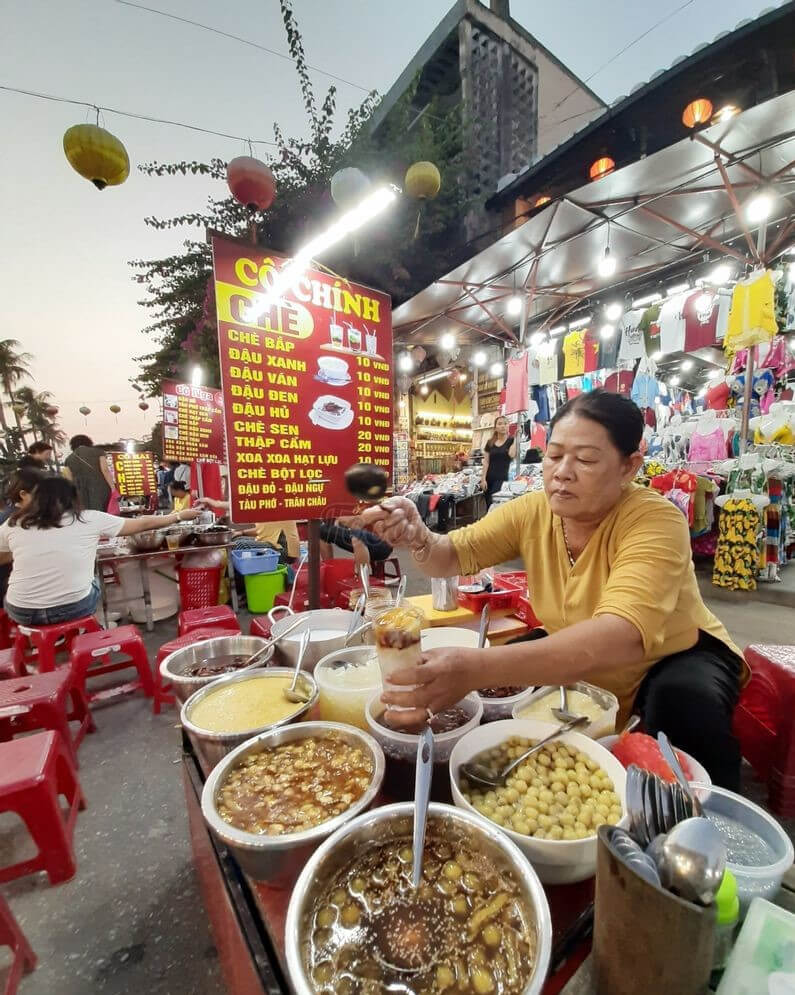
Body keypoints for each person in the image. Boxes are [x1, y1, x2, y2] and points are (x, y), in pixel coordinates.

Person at [356, 389, 747, 790]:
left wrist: (473, 667)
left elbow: (622, 635)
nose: (562, 471)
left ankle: (713, 826)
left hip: (676, 652)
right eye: (554, 455)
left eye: (586, 460)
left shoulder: (654, 520)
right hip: (577, 645)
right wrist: (419, 535)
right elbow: (453, 554)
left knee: (682, 702)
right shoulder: (533, 510)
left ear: (629, 466)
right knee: (500, 686)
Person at [0, 476, 200, 626]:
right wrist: (179, 516)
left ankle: (60, 634)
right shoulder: (88, 518)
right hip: (73, 607)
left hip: (21, 609)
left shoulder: (14, 522)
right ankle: (92, 624)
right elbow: (143, 523)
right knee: (94, 578)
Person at [63, 435, 114, 512]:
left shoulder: (69, 458)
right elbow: (105, 470)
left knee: (86, 513)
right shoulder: (98, 452)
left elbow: (69, 479)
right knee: (102, 511)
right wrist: (113, 487)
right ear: (88, 442)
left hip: (80, 490)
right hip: (99, 486)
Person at [480, 416, 516, 507]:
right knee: (489, 505)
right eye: (500, 424)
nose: (503, 426)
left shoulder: (511, 441)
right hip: (489, 479)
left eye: (505, 423)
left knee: (496, 505)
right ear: (495, 427)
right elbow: (486, 461)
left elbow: (512, 455)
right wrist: (483, 479)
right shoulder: (490, 442)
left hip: (503, 479)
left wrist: (516, 439)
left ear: (508, 426)